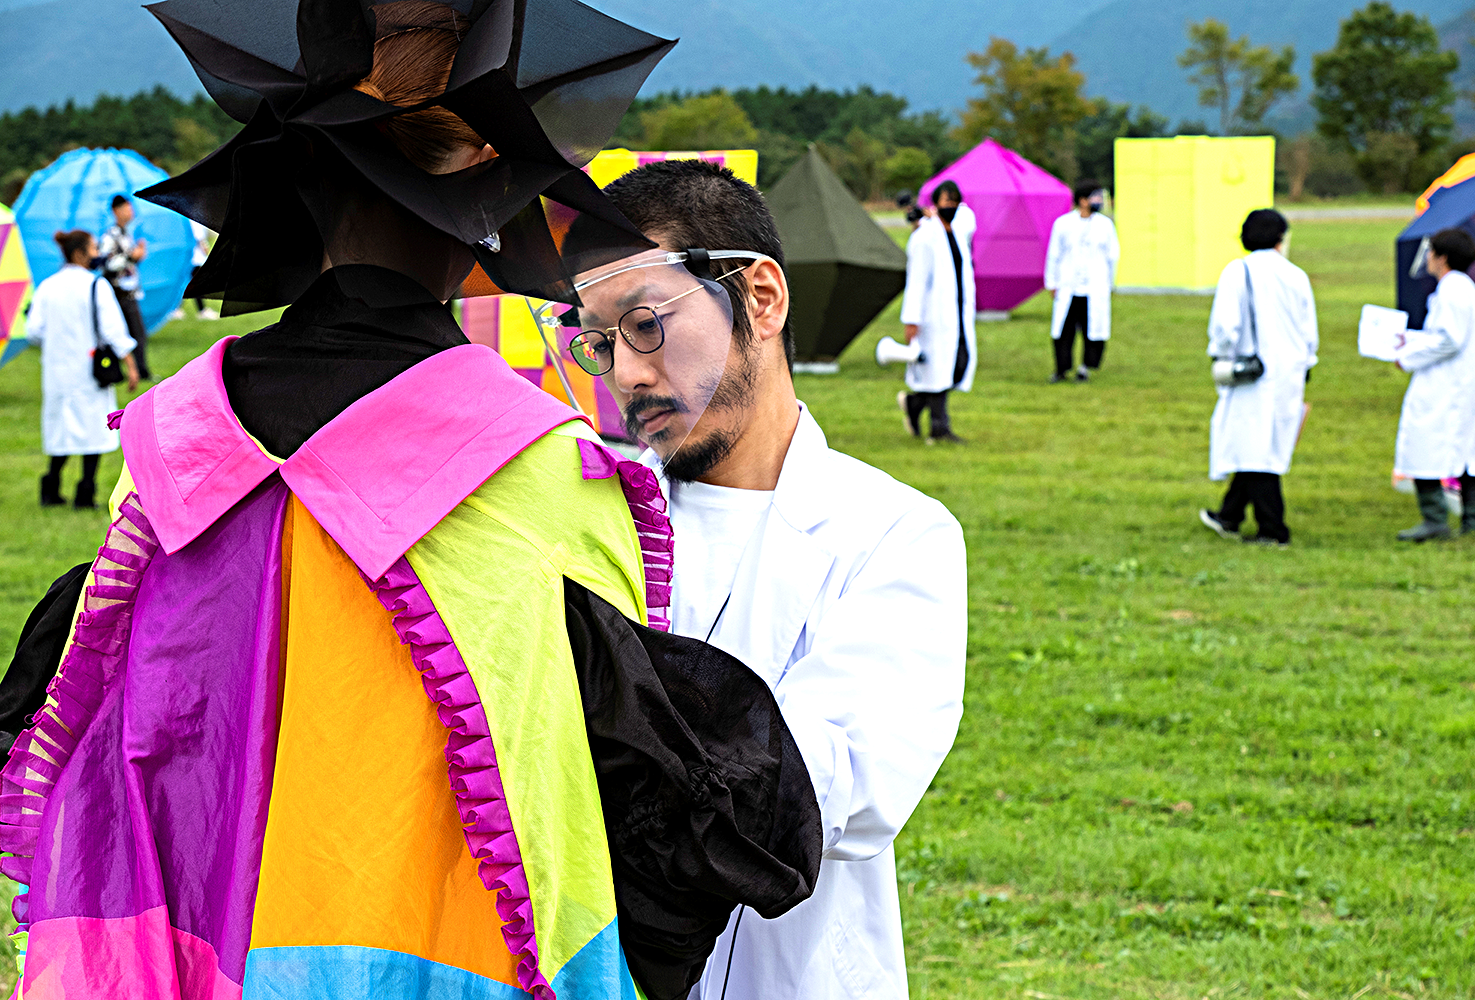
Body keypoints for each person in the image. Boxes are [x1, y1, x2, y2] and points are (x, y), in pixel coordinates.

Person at [0, 5, 820, 1000]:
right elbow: (629, 814)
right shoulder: (550, 479)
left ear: (301, 185)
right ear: (484, 205)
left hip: (185, 961)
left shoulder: (165, 452)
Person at [566, 158, 967, 1000]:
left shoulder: (892, 535)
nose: (626, 373)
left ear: (760, 298)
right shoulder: (587, 517)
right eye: (600, 342)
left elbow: (830, 788)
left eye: (645, 323)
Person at [1198, 209, 1318, 547]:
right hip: (1291, 370)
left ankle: (1273, 529)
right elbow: (1309, 328)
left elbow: (1225, 326)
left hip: (1253, 371)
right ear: (1281, 238)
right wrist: (1307, 362)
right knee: (1261, 442)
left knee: (1255, 448)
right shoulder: (1296, 275)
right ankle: (1229, 514)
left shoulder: (1238, 271)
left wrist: (1222, 356)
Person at [27, 229, 139, 509]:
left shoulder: (48, 286)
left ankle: (51, 487)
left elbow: (34, 330)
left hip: (57, 371)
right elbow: (113, 330)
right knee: (93, 431)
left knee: (60, 431)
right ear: (79, 254)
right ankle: (85, 492)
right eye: (92, 248)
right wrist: (131, 364)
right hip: (90, 372)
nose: (97, 253)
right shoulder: (96, 285)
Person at [1392, 227, 1475, 541]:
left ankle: (1434, 519)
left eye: (1432, 253)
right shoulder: (1461, 287)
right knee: (1465, 450)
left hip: (1446, 386)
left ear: (1442, 258)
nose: (1428, 259)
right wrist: (1412, 340)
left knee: (1425, 445)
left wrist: (1408, 356)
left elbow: (1448, 340)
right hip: (1460, 384)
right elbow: (1442, 335)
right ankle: (1473, 518)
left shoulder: (1451, 290)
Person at [898, 179, 977, 443]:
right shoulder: (924, 237)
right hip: (933, 315)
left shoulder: (958, 231)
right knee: (938, 370)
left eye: (955, 201)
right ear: (935, 203)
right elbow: (917, 281)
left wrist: (929, 216)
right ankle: (939, 427)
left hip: (957, 312)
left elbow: (970, 219)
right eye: (946, 201)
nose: (951, 206)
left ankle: (914, 404)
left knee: (957, 365)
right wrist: (911, 318)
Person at [1045, 179, 1119, 383]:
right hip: (1068, 286)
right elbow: (1054, 254)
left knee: (1092, 331)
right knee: (1063, 330)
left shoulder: (1105, 225)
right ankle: (1061, 369)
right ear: (1083, 200)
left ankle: (1085, 367)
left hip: (1095, 287)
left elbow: (1112, 256)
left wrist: (1109, 283)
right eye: (1095, 198)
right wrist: (1052, 282)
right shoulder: (1063, 224)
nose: (1099, 202)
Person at [98, 193, 152, 380]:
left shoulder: (126, 234)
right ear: (116, 211)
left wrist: (137, 256)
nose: (131, 212)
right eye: (127, 208)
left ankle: (139, 370)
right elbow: (106, 263)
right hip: (118, 293)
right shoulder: (110, 236)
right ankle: (133, 371)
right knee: (128, 333)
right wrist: (131, 256)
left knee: (136, 333)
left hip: (129, 292)